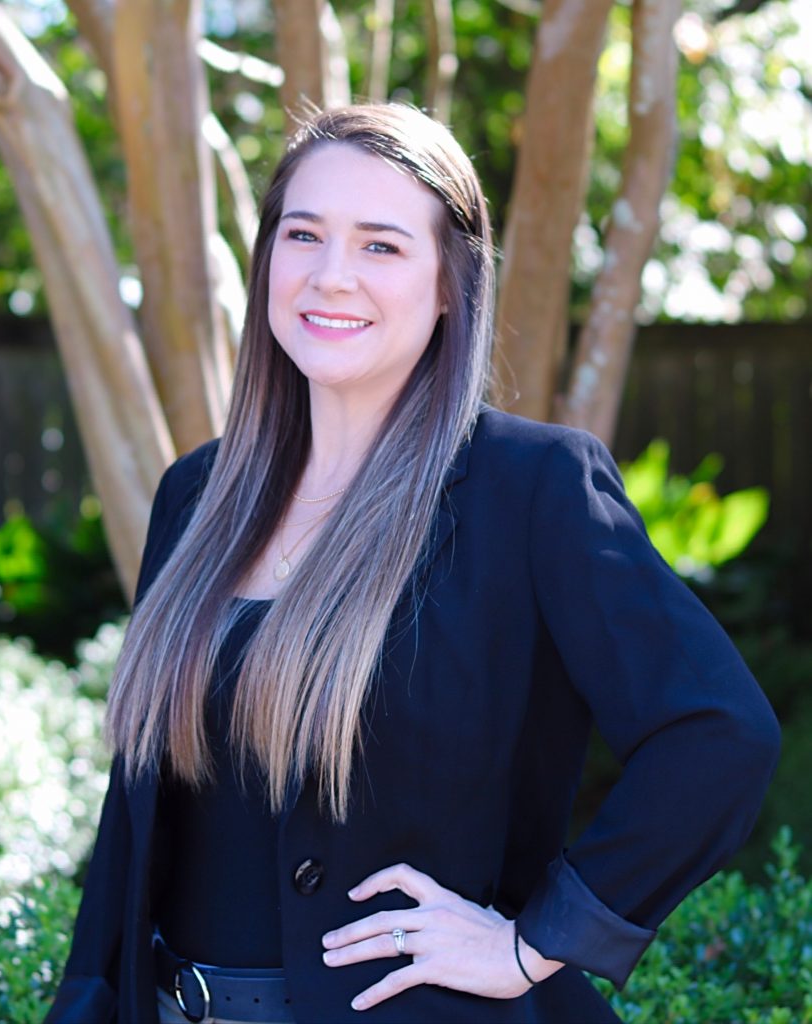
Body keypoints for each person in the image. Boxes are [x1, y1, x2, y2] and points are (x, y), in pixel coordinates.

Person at [46, 103, 780, 1024]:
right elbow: (134, 818)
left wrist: (532, 945)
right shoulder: (197, 495)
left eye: (381, 246)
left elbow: (718, 733)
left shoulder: (530, 490)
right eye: (302, 234)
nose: (329, 276)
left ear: (448, 286)